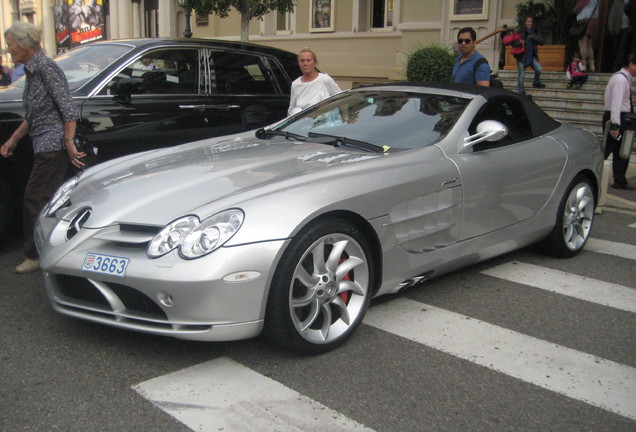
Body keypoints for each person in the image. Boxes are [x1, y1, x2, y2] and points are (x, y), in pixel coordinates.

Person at [0, 22, 85, 274]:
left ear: (25, 44)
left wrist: (68, 144)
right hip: (43, 143)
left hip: (52, 145)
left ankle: (36, 254)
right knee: (47, 198)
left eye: (10, 44)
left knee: (35, 198)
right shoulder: (33, 70)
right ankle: (51, 248)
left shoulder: (46, 68)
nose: (8, 50)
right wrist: (13, 139)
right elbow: (33, 114)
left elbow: (68, 110)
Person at [602, 53, 636, 190]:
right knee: (609, 148)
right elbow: (616, 103)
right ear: (632, 64)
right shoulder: (621, 80)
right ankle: (617, 178)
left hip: (618, 117)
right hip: (617, 118)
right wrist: (615, 125)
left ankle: (619, 179)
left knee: (619, 149)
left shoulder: (622, 79)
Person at [288, 48, 341, 116]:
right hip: (304, 124)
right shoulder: (295, 84)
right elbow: (291, 110)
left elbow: (340, 99)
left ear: (315, 62)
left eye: (308, 60)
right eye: (302, 61)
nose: (305, 64)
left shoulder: (325, 80)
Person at [514, 17, 545, 96]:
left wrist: (532, 37)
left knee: (538, 69)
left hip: (531, 56)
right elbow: (513, 43)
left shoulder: (535, 31)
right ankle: (521, 91)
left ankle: (536, 82)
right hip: (521, 56)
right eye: (528, 21)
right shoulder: (520, 31)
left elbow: (542, 41)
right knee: (521, 75)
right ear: (525, 22)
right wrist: (520, 43)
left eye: (531, 22)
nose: (529, 23)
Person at [573, 0, 599, 73]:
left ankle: (583, 65)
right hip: (594, 21)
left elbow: (576, 9)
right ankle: (592, 65)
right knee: (589, 45)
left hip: (584, 22)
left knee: (582, 44)